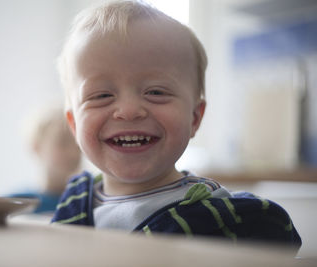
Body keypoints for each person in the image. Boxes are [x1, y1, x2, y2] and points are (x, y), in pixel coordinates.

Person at [51, 0, 301, 249]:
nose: (129, 111)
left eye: (156, 92)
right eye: (102, 95)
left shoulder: (228, 219)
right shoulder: (72, 205)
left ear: (194, 117)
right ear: (73, 124)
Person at [11, 107, 82, 213]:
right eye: (63, 142)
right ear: (36, 146)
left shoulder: (88, 203)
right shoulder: (16, 204)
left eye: (78, 144)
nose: (73, 153)